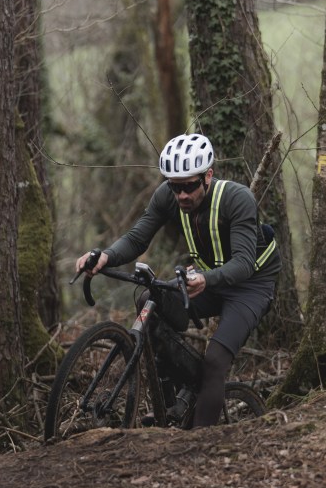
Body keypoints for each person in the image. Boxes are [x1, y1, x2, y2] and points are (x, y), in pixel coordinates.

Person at [75, 133, 280, 427]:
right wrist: (106, 256)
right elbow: (137, 238)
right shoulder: (167, 196)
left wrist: (205, 279)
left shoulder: (237, 199)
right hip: (207, 278)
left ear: (208, 176)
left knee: (215, 361)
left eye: (189, 186)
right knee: (150, 302)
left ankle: (201, 440)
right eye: (175, 187)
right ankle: (173, 406)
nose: (182, 195)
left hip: (250, 285)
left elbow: (245, 263)